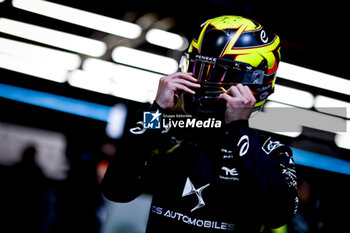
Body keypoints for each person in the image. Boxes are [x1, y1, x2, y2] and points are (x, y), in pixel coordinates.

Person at [102, 15, 298, 233]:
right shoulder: (170, 130)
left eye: (216, 73)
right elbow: (116, 190)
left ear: (252, 82)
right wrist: (156, 110)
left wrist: (239, 130)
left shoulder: (270, 152)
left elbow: (278, 215)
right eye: (198, 69)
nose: (202, 82)